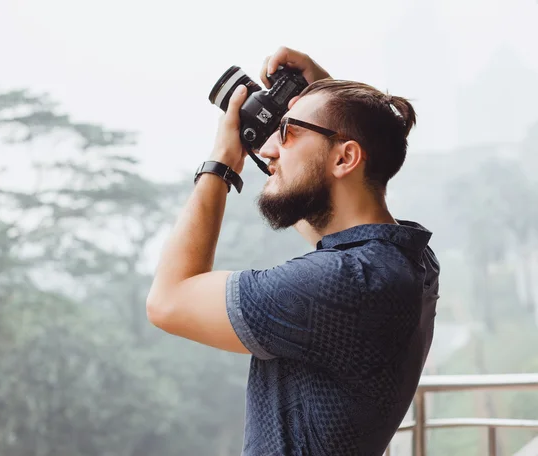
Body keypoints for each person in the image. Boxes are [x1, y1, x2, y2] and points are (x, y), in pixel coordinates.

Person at [146, 46, 440, 456]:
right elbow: (335, 200)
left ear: (345, 157)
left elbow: (168, 301)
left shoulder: (345, 283)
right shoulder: (409, 259)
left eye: (286, 132)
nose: (267, 150)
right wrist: (323, 96)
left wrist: (221, 162)